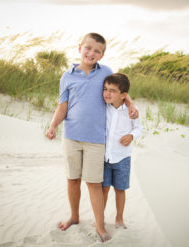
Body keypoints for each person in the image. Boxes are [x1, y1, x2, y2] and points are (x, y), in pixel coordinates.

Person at [45, 33, 138, 242]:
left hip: (96, 139)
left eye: (97, 50)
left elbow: (121, 90)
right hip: (71, 136)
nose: (91, 53)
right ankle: (75, 217)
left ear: (102, 54)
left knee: (95, 183)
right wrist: (52, 126)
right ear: (80, 48)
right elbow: (63, 106)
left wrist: (131, 105)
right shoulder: (67, 76)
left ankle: (99, 225)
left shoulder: (105, 72)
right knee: (73, 179)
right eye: (88, 48)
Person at [102, 73, 142, 229]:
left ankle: (119, 218)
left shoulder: (132, 111)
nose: (107, 93)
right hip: (105, 157)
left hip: (122, 157)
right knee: (103, 188)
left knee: (120, 189)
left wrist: (131, 136)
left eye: (112, 90)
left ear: (124, 95)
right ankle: (101, 217)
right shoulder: (104, 107)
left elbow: (139, 128)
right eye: (105, 89)